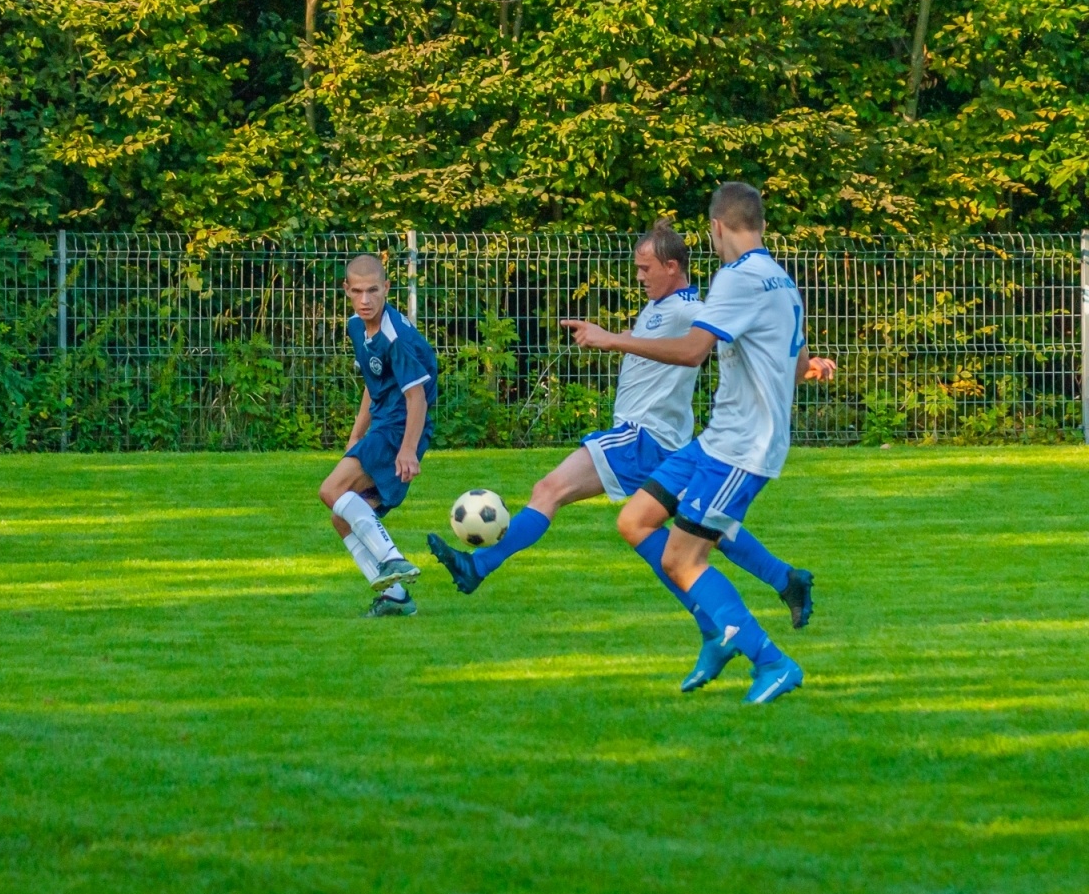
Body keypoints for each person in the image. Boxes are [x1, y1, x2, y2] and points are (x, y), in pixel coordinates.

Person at [428, 221, 835, 653]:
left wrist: (804, 363)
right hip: (657, 439)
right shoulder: (661, 305)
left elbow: (734, 329)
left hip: (644, 437)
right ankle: (781, 578)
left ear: (672, 267)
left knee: (552, 490)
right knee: (705, 527)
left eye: (646, 268)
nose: (639, 276)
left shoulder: (687, 308)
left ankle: (479, 567)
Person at [561, 183, 823, 703]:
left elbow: (691, 351)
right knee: (635, 521)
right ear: (760, 225)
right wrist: (806, 370)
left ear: (716, 228)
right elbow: (794, 362)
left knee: (682, 560)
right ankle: (716, 631)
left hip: (743, 448)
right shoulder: (780, 280)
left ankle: (771, 661)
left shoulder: (735, 278)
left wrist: (607, 338)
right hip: (717, 439)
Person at [318, 254, 437, 617]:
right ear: (347, 291)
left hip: (401, 427)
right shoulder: (357, 326)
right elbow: (375, 386)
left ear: (387, 288)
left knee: (331, 491)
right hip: (383, 424)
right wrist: (356, 435)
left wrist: (408, 451)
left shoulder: (396, 337)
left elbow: (417, 399)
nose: (365, 299)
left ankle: (393, 559)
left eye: (373, 290)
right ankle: (395, 597)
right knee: (342, 516)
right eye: (357, 291)